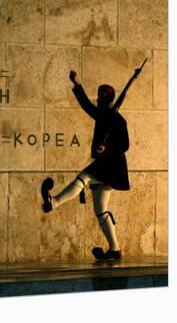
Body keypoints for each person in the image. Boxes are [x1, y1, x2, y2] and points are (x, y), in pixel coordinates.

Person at [41, 70, 130, 261]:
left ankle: (54, 202)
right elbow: (86, 106)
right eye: (99, 99)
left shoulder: (118, 120)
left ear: (109, 101)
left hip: (112, 165)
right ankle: (115, 250)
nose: (98, 102)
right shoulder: (103, 114)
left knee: (83, 177)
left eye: (102, 99)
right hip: (106, 165)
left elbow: (125, 146)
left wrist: (105, 148)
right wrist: (77, 84)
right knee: (100, 210)